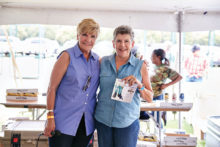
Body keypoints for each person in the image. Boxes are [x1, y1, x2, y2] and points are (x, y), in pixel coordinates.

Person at [44, 18, 100, 147]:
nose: (88, 39)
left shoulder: (97, 60)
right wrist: (50, 117)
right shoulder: (66, 56)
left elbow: (116, 69)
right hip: (63, 120)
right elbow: (51, 89)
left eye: (93, 36)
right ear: (78, 36)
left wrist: (136, 62)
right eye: (84, 34)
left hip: (86, 123)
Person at [94, 25, 153, 147]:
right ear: (113, 43)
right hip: (103, 120)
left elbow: (150, 97)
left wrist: (139, 85)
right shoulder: (102, 62)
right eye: (119, 41)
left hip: (127, 122)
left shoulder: (140, 66)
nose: (122, 45)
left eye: (126, 41)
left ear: (132, 44)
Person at [148, 48, 182, 126]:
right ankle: (162, 114)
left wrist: (166, 85)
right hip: (150, 95)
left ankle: (161, 133)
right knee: (152, 116)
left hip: (157, 95)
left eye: (152, 56)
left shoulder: (165, 68)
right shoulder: (154, 67)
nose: (151, 58)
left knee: (156, 118)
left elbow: (179, 77)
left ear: (159, 57)